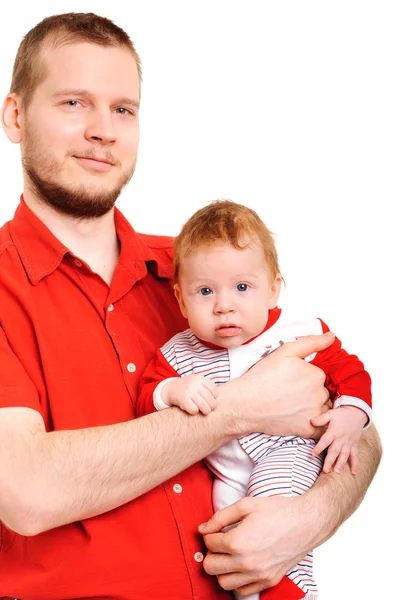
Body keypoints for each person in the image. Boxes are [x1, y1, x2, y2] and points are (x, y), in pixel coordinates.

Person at [0, 12, 381, 600]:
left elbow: (352, 422)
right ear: (16, 116)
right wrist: (237, 411)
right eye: (74, 103)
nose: (104, 130)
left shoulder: (204, 273)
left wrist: (311, 516)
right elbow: (26, 490)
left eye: (123, 109)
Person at [137, 199, 372, 600]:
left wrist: (351, 414)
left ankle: (292, 594)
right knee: (229, 541)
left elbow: (349, 371)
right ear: (180, 300)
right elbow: (146, 397)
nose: (224, 305)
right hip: (226, 473)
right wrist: (173, 390)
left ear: (273, 290)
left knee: (269, 521)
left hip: (290, 453)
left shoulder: (299, 331)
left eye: (243, 287)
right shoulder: (178, 353)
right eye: (205, 291)